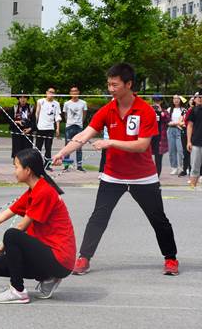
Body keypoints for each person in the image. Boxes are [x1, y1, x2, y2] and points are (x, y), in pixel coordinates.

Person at [53, 63, 179, 276]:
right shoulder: (107, 110)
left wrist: (111, 143)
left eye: (115, 84)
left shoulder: (145, 110)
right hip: (113, 175)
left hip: (143, 177)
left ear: (128, 84)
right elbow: (85, 135)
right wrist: (63, 152)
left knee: (158, 219)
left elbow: (142, 145)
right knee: (98, 217)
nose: (110, 89)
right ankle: (84, 257)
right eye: (109, 84)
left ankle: (170, 259)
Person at [0, 148, 75, 304]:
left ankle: (18, 291)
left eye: (16, 166)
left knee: (11, 235)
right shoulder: (33, 191)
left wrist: (3, 245)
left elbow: (20, 227)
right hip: (48, 254)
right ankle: (48, 277)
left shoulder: (43, 192)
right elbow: (3, 216)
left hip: (60, 258)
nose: (14, 171)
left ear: (28, 170)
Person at [62, 86, 88, 171]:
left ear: (78, 92)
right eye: (72, 91)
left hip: (79, 127)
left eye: (76, 91)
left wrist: (80, 122)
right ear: (70, 93)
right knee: (67, 146)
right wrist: (69, 122)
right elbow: (65, 114)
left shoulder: (83, 103)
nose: (74, 93)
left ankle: (79, 166)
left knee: (79, 146)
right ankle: (66, 166)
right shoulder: (67, 103)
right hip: (69, 126)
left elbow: (84, 114)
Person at [35, 87, 61, 167]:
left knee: (48, 147)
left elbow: (57, 116)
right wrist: (35, 126)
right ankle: (36, 163)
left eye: (53, 92)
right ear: (46, 92)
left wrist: (57, 128)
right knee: (38, 147)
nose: (51, 94)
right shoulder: (40, 101)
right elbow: (37, 114)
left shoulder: (56, 104)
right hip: (40, 128)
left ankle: (47, 164)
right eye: (50, 92)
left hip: (50, 128)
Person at [150, 94, 170, 177]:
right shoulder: (149, 109)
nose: (156, 102)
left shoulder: (164, 111)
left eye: (158, 101)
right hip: (150, 137)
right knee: (148, 159)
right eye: (154, 100)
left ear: (161, 101)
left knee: (158, 159)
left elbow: (168, 120)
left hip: (160, 138)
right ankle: (149, 175)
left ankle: (157, 176)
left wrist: (160, 111)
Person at [10, 93, 35, 159]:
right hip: (17, 132)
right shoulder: (15, 108)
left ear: (27, 99)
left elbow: (34, 121)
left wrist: (30, 128)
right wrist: (17, 122)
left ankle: (27, 164)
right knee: (17, 149)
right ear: (18, 99)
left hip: (28, 131)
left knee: (28, 151)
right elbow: (10, 120)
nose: (23, 99)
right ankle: (17, 163)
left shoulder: (31, 108)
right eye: (21, 98)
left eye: (24, 97)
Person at [167, 94, 186, 175]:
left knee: (180, 150)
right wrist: (176, 123)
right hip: (171, 131)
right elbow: (167, 121)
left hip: (180, 131)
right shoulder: (169, 110)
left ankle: (182, 167)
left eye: (177, 98)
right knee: (172, 150)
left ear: (180, 100)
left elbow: (184, 121)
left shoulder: (183, 109)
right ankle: (174, 167)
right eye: (174, 98)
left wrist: (175, 123)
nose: (176, 100)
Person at [186, 92, 202, 189]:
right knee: (195, 167)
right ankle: (192, 188)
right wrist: (188, 141)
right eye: (198, 97)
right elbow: (189, 126)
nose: (200, 98)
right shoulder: (194, 110)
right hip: (196, 142)